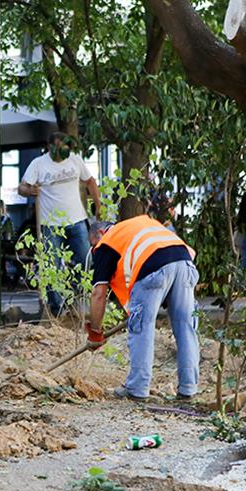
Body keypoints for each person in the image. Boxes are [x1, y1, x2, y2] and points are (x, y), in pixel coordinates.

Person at [85, 215, 199, 401]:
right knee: (186, 326)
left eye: (93, 244)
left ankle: (137, 389)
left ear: (100, 232)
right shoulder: (138, 226)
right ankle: (188, 388)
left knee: (141, 328)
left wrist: (95, 332)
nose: (94, 249)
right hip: (185, 263)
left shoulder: (107, 242)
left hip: (154, 267)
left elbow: (99, 293)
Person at [18, 132, 102, 315]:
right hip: (50, 224)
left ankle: (74, 295)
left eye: (66, 146)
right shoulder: (38, 164)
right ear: (50, 147)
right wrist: (30, 190)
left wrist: (98, 204)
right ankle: (57, 307)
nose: (64, 150)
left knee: (86, 262)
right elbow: (22, 188)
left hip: (77, 220)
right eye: (60, 146)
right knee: (51, 266)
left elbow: (90, 181)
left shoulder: (75, 160)